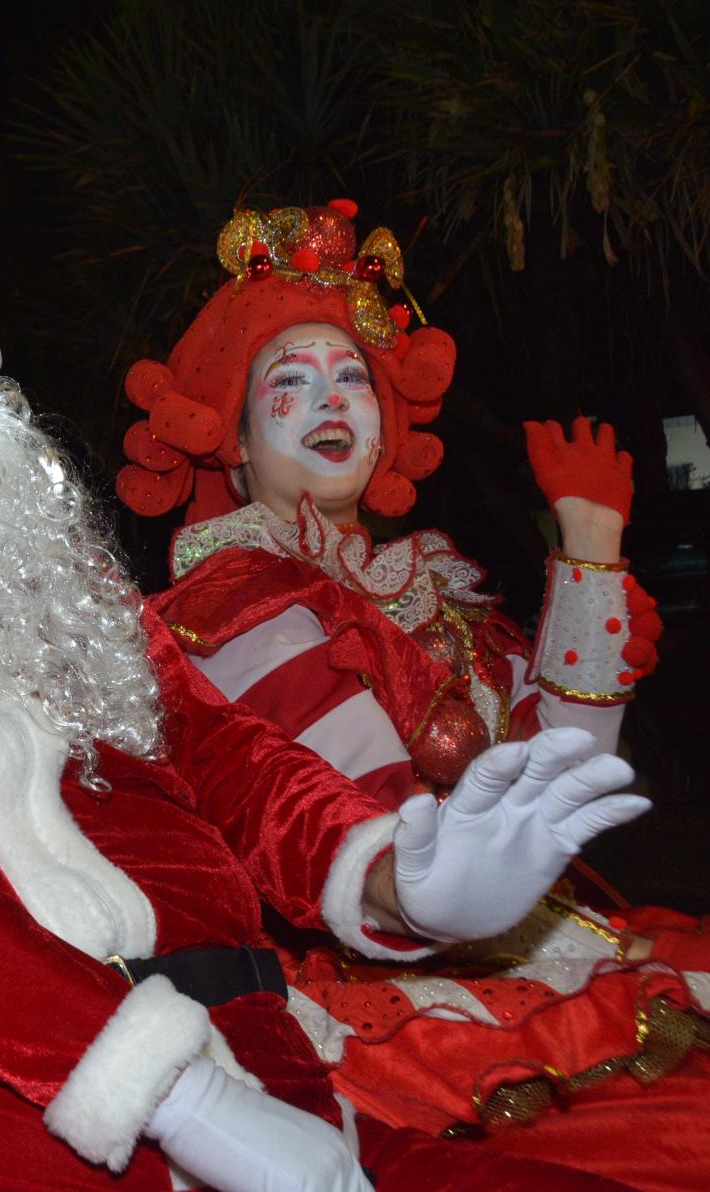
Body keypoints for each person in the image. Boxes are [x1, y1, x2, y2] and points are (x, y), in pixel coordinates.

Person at [0, 213, 652, 1191]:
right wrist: (166, 1090)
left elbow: (217, 750)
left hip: (277, 1082)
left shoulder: (48, 550)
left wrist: (395, 872)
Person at [122, 200, 710, 1188]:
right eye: (291, 381)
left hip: (522, 948)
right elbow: (383, 835)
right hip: (380, 994)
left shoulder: (425, 586)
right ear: (232, 434)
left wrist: (590, 554)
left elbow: (571, 782)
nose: (332, 401)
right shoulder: (231, 597)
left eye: (353, 375)